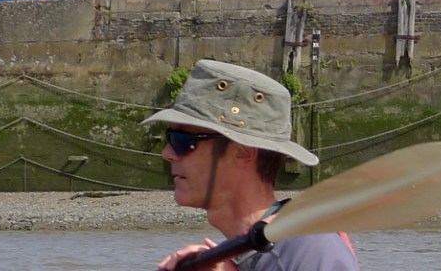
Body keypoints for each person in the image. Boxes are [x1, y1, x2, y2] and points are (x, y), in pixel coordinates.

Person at [144, 60, 360, 271]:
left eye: (182, 141)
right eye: (169, 137)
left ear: (242, 153)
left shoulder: (310, 250)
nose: (167, 153)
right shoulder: (249, 253)